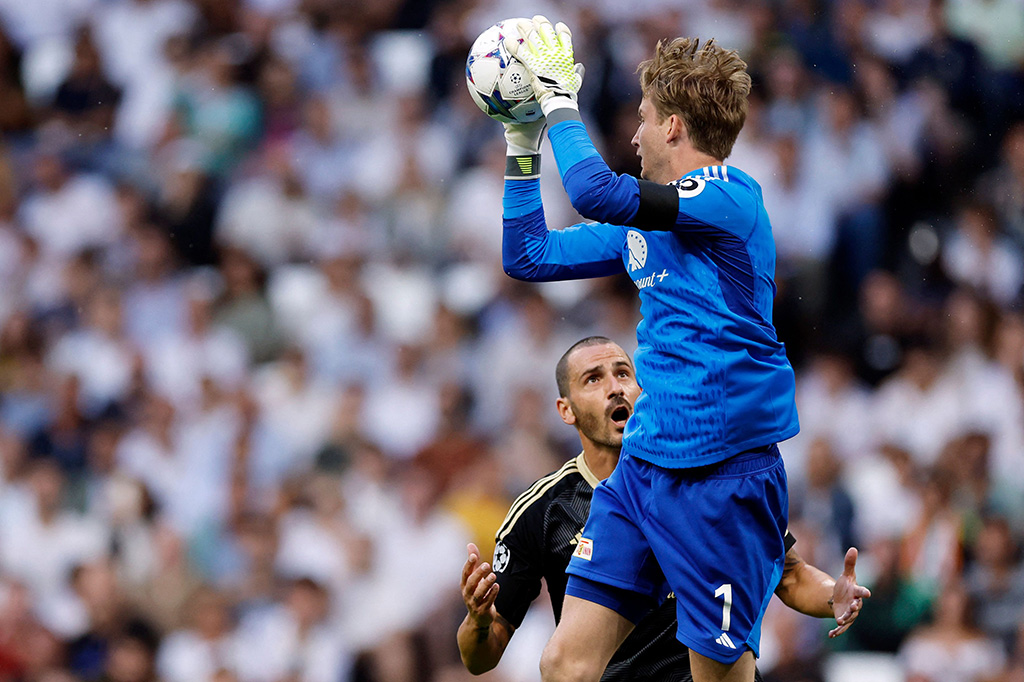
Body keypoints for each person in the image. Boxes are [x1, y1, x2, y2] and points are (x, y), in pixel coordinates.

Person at [498, 18, 800, 682]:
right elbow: (528, 255)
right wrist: (522, 142)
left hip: (721, 476)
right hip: (646, 467)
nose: (633, 135)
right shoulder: (645, 228)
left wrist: (559, 102)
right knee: (566, 665)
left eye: (642, 119)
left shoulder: (731, 197)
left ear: (673, 128)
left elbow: (592, 191)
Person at [458, 337, 869, 680]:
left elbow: (791, 575)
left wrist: (832, 597)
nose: (615, 388)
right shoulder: (543, 509)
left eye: (623, 373)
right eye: (594, 379)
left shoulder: (706, 480)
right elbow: (480, 658)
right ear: (566, 410)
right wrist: (478, 620)